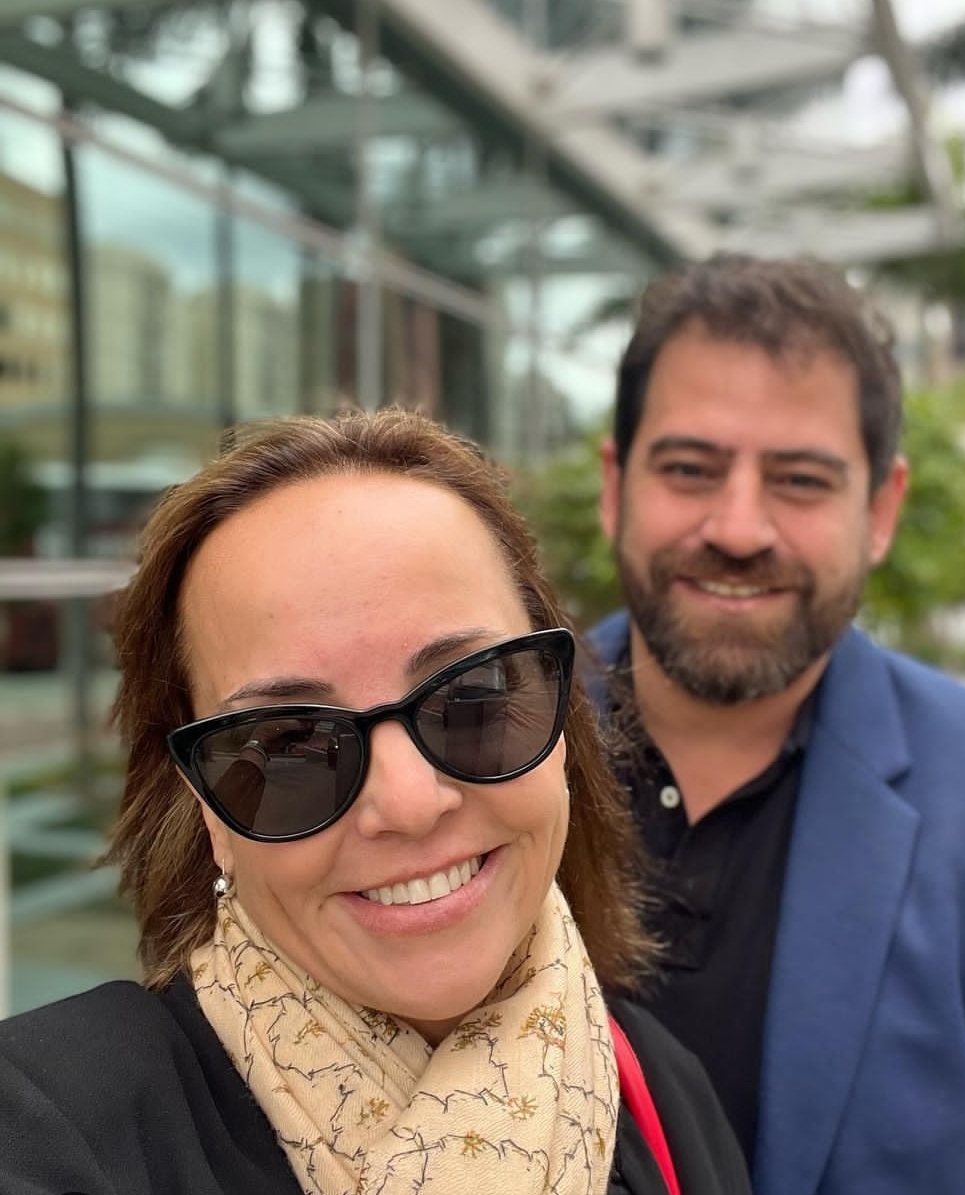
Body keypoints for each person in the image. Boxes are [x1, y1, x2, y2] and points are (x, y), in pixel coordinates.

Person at [0, 409, 752, 1195]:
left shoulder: (659, 1089)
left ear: (560, 718)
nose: (409, 802)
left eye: (472, 696)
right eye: (291, 742)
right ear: (208, 809)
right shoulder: (49, 1130)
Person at [587, 253, 965, 1195]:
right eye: (689, 469)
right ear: (616, 485)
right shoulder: (471, 750)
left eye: (800, 480)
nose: (737, 528)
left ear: (880, 510)